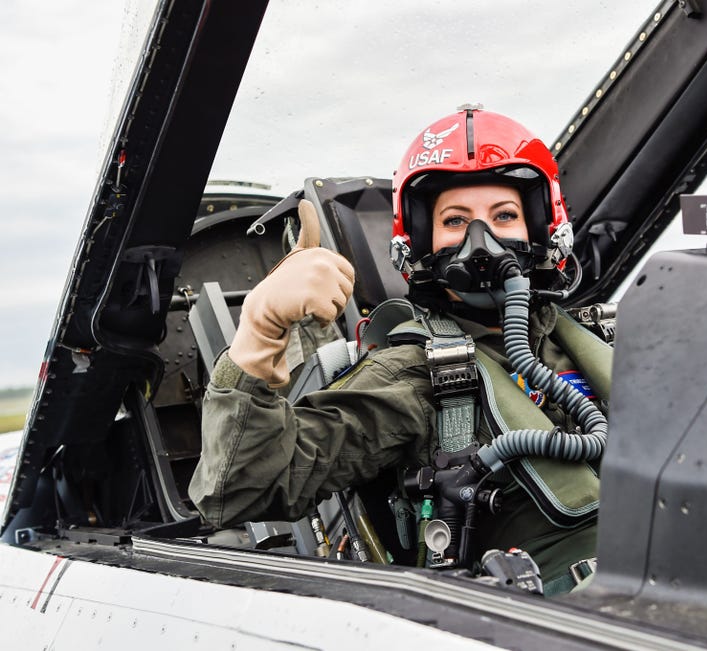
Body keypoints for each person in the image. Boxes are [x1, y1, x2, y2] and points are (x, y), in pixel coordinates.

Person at [189, 107, 613, 595]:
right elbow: (238, 492)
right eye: (455, 221)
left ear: (540, 228)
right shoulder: (414, 374)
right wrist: (259, 333)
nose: (482, 241)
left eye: (504, 216)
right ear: (421, 241)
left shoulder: (597, 343)